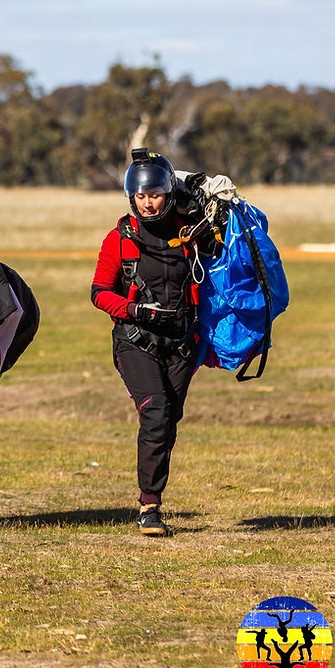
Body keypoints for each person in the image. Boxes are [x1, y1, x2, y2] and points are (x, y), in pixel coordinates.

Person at [90, 148, 209, 536]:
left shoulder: (191, 233)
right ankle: (149, 507)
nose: (147, 202)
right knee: (156, 414)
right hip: (135, 339)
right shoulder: (119, 239)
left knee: (168, 421)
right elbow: (99, 293)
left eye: (154, 194)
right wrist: (136, 311)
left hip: (181, 344)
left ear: (169, 192)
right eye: (140, 196)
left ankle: (152, 500)